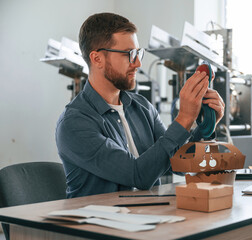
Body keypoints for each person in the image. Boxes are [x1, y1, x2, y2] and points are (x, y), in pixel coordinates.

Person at [55, 12, 225, 198]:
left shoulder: (142, 107)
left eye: (138, 53)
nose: (137, 63)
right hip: (100, 223)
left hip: (148, 216)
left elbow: (181, 165)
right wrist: (184, 118)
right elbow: (137, 176)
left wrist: (206, 127)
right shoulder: (75, 123)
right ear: (97, 59)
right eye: (129, 54)